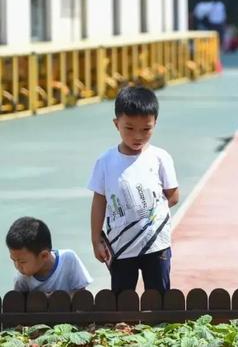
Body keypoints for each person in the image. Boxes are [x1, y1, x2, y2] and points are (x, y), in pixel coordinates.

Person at [88, 86, 179, 294]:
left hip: (157, 244)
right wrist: (96, 239)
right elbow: (99, 201)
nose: (137, 136)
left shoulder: (160, 158)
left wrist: (147, 214)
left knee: (159, 295)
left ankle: (158, 325)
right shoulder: (105, 162)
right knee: (122, 296)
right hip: (120, 245)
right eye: (129, 128)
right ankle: (122, 327)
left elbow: (173, 195)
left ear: (155, 124)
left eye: (146, 129)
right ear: (116, 124)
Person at [6, 217, 92, 292]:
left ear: (44, 256)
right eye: (14, 260)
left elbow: (82, 294)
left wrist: (55, 299)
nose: (17, 266)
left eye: (22, 262)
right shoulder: (22, 279)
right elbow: (17, 303)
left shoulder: (68, 259)